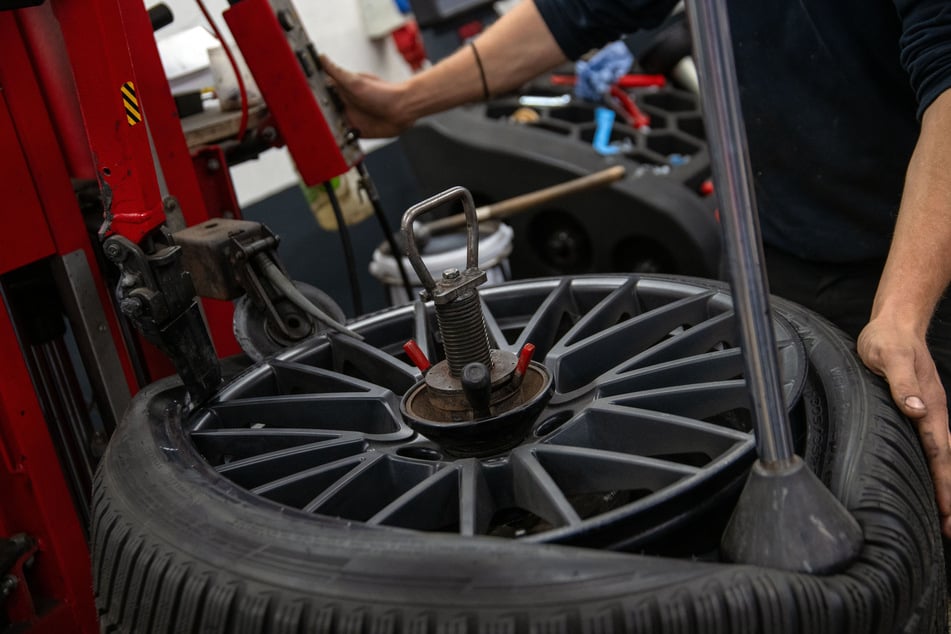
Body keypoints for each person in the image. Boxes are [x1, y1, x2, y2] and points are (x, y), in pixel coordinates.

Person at [321, 0, 951, 538]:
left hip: (917, 269)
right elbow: (583, 8)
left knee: (909, 515)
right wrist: (405, 102)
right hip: (772, 245)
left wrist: (901, 315)